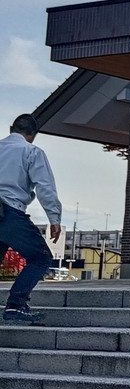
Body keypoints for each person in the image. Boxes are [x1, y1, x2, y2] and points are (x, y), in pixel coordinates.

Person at [0, 114, 61, 323]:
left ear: (11, 128)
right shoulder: (31, 151)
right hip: (9, 212)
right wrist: (54, 218)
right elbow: (45, 187)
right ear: (33, 135)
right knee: (40, 258)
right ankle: (15, 306)